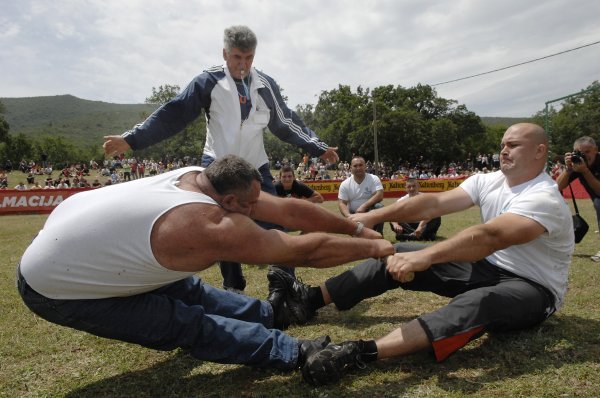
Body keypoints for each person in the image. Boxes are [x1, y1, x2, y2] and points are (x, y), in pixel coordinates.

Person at [17, 155, 393, 375]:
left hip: (83, 248)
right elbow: (301, 253)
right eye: (248, 207)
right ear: (229, 200)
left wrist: (356, 227)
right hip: (55, 286)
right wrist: (373, 249)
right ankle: (296, 353)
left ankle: (271, 312)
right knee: (184, 322)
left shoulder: (199, 176)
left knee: (189, 288)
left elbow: (286, 209)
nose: (254, 212)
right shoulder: (206, 223)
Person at [268, 123, 574, 385]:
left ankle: (360, 351)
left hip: (533, 288)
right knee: (396, 252)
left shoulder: (544, 197)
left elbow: (489, 237)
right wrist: (374, 217)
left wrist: (427, 256)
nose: (504, 150)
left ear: (539, 151)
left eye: (514, 145)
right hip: (487, 268)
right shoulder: (489, 181)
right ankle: (308, 300)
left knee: (478, 302)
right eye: (502, 144)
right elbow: (432, 205)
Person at [102, 25, 338, 294]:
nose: (243, 64)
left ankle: (284, 285)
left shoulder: (265, 84)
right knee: (221, 227)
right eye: (237, 57)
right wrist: (132, 139)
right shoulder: (208, 81)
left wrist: (317, 146)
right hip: (217, 164)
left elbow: (285, 122)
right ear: (225, 54)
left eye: (249, 58)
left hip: (255, 165)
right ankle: (233, 289)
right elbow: (174, 113)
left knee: (273, 223)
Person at [556, 136, 600, 261]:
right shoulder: (577, 164)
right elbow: (557, 186)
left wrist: (585, 171)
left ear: (596, 150)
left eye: (588, 152)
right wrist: (568, 170)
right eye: (580, 153)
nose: (584, 156)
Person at [338, 156, 384, 234]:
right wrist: (349, 216)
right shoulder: (345, 184)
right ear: (351, 168)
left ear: (365, 166)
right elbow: (342, 203)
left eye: (360, 165)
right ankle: (357, 232)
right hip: (353, 213)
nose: (358, 168)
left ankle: (378, 233)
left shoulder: (373, 178)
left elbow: (379, 195)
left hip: (370, 211)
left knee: (379, 207)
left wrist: (364, 206)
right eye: (355, 166)